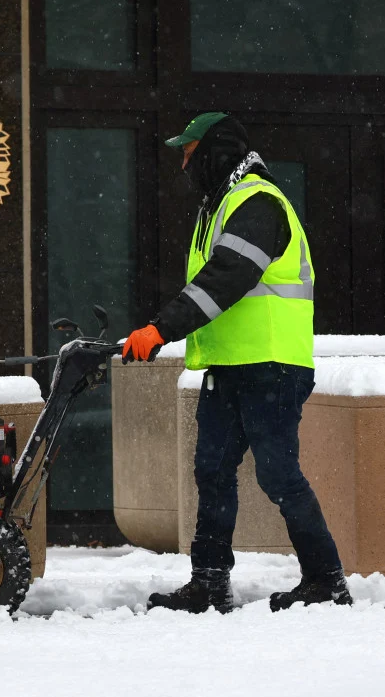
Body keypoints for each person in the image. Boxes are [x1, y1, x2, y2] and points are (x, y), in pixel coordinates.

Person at [121, 112, 352, 613]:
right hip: (230, 367)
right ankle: (209, 582)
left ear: (215, 151)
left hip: (273, 364)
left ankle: (326, 580)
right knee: (213, 470)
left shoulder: (257, 202)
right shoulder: (220, 204)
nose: (183, 162)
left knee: (277, 474)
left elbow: (228, 277)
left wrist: (161, 329)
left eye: (189, 151)